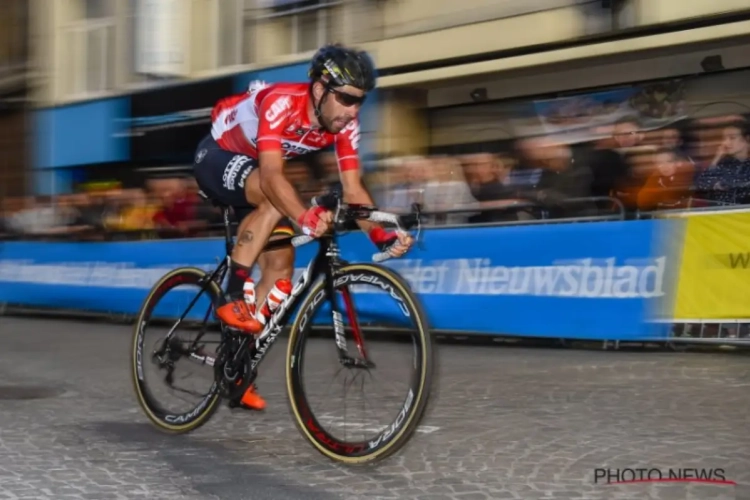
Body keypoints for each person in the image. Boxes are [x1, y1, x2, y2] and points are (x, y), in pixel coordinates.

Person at [192, 44, 414, 411]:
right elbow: (274, 177)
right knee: (271, 191)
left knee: (280, 271)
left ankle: (235, 367)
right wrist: (305, 216)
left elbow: (354, 189)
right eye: (345, 99)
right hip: (217, 155)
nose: (352, 110)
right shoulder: (281, 102)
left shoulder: (346, 125)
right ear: (319, 89)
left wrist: (381, 232)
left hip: (258, 171)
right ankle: (231, 295)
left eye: (359, 101)